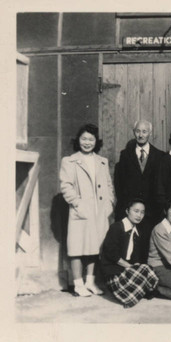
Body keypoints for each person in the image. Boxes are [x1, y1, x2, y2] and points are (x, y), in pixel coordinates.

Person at [59, 123, 115, 297]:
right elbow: (66, 185)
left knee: (95, 247)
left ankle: (90, 281)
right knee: (77, 247)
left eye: (91, 139)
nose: (87, 142)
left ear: (96, 142)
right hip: (81, 212)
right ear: (78, 140)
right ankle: (78, 284)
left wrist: (110, 203)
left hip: (99, 212)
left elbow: (108, 184)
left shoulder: (102, 161)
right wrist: (77, 203)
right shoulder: (69, 160)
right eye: (84, 139)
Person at [114, 120, 164, 263]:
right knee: (129, 243)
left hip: (151, 210)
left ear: (150, 133)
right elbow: (120, 182)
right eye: (138, 131)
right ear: (133, 132)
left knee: (147, 244)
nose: (141, 135)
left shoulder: (159, 155)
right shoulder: (125, 154)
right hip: (131, 209)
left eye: (144, 131)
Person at [100, 199, 159, 308]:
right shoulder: (116, 227)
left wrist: (134, 267)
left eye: (142, 212)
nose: (139, 215)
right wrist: (131, 267)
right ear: (127, 211)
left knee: (148, 269)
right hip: (114, 273)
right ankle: (132, 293)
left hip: (126, 271)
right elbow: (111, 254)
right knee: (143, 273)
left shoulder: (137, 232)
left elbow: (135, 259)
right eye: (136, 211)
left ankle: (135, 291)